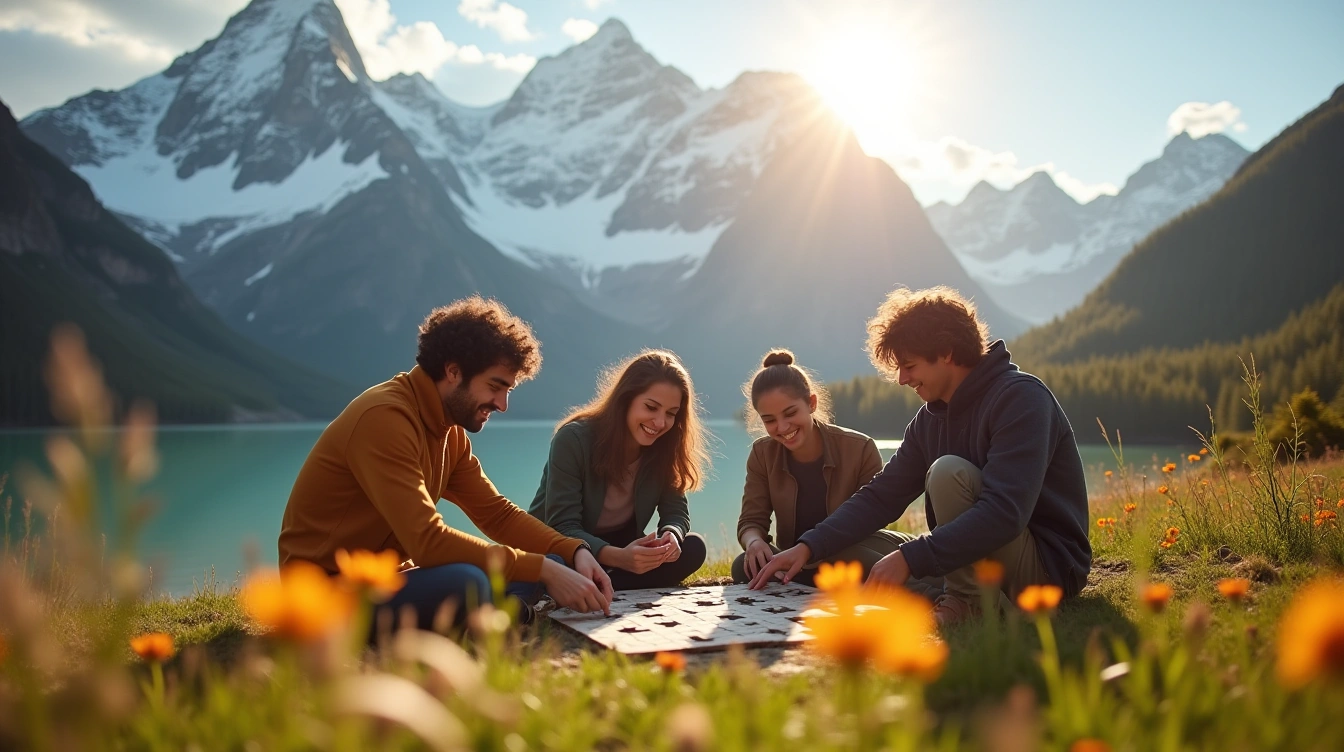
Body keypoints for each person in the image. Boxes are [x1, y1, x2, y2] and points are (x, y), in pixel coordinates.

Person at [750, 287, 1091, 627]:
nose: (902, 379)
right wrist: (808, 547)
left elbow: (1005, 513)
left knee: (947, 473)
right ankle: (958, 596)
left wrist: (910, 559)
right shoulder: (930, 419)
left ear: (946, 352)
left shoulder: (1021, 399)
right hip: (978, 558)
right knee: (838, 549)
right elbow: (881, 496)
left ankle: (968, 604)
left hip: (1044, 570)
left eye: (909, 366)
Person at [279, 296, 612, 631]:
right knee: (468, 581)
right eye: (495, 387)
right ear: (453, 372)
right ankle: (501, 611)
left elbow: (497, 514)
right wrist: (543, 570)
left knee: (551, 562)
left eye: (508, 390)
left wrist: (573, 552)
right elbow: (427, 542)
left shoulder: (448, 433)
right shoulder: (385, 418)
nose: (502, 404)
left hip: (389, 580)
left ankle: (501, 610)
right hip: (323, 594)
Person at [733, 350, 938, 593]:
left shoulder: (860, 448)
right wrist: (754, 542)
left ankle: (931, 595)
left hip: (851, 552)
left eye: (790, 413)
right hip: (797, 561)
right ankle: (809, 582)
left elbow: (868, 521)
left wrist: (816, 547)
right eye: (769, 420)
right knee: (743, 565)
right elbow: (751, 520)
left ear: (811, 403)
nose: (782, 427)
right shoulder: (762, 454)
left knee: (843, 556)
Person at [530, 350, 710, 590]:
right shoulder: (573, 440)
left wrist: (672, 536)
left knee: (693, 548)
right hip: (565, 547)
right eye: (651, 407)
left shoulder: (664, 447)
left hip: (620, 547)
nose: (660, 423)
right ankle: (598, 582)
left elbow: (676, 511)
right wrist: (619, 558)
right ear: (626, 399)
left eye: (670, 414)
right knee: (557, 562)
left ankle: (598, 584)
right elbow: (563, 526)